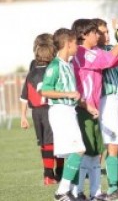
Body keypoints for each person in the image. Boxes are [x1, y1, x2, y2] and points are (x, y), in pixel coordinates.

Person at [71, 17, 118, 200]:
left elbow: (116, 59)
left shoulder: (93, 52)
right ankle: (74, 191)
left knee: (94, 152)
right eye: (97, 32)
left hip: (93, 106)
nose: (100, 35)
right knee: (84, 151)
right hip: (84, 107)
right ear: (84, 35)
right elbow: (109, 60)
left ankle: (94, 191)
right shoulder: (84, 52)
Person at [40, 28, 84, 201]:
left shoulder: (69, 64)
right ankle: (61, 192)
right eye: (75, 43)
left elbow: (69, 91)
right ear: (67, 44)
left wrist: (84, 104)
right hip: (60, 112)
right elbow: (45, 91)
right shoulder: (55, 65)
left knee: (76, 151)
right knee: (78, 150)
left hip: (69, 111)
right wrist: (68, 95)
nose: (78, 46)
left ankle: (71, 193)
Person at [20, 33, 64, 185]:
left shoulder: (31, 72)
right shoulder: (54, 69)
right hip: (50, 108)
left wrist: (23, 116)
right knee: (57, 141)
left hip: (36, 112)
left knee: (45, 143)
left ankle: (48, 174)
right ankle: (59, 173)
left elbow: (24, 96)